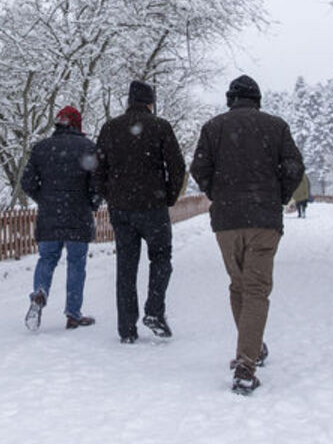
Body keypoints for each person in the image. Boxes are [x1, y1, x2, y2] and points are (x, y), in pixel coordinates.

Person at [190, 75, 304, 394]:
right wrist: (277, 196)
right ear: (258, 99)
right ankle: (246, 362)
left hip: (226, 221)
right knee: (256, 289)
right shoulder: (276, 127)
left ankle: (250, 349)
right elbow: (295, 167)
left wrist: (219, 193)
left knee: (239, 285)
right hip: (264, 220)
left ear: (231, 99)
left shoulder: (214, 128)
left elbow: (199, 169)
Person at [95, 80, 186, 344]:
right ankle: (154, 311)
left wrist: (109, 195)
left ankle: (126, 328)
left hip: (121, 209)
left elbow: (97, 168)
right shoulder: (160, 127)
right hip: (153, 206)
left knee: (126, 266)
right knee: (160, 258)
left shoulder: (110, 128)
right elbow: (177, 166)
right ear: (151, 102)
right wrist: (168, 196)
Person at [21, 105, 100, 331]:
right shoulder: (88, 148)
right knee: (76, 263)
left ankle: (39, 293)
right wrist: (91, 203)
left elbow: (27, 183)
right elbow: (97, 184)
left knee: (47, 259)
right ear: (77, 124)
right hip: (78, 215)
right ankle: (73, 314)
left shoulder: (41, 148)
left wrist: (44, 199)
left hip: (49, 215)